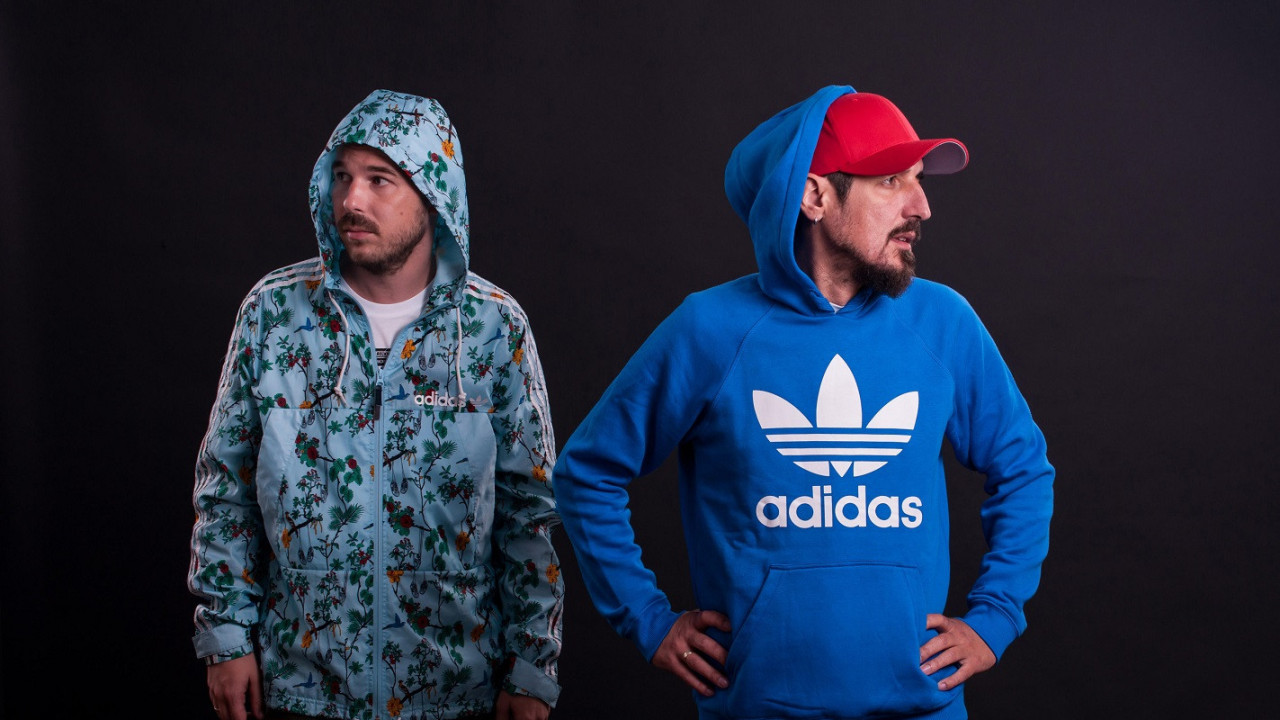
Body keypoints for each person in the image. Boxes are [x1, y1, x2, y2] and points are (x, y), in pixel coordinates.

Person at [552, 85, 1054, 719]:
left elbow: (1023, 468)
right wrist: (648, 620)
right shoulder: (710, 330)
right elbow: (587, 472)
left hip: (921, 708)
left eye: (919, 181)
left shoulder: (943, 323)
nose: (921, 206)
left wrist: (996, 617)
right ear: (815, 196)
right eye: (891, 181)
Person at [188, 90, 563, 720]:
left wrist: (532, 669)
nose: (350, 200)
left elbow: (531, 513)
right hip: (301, 690)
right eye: (341, 177)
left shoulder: (494, 329)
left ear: (433, 193)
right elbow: (225, 488)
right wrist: (224, 635)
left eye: (379, 179)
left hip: (455, 695)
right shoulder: (272, 315)